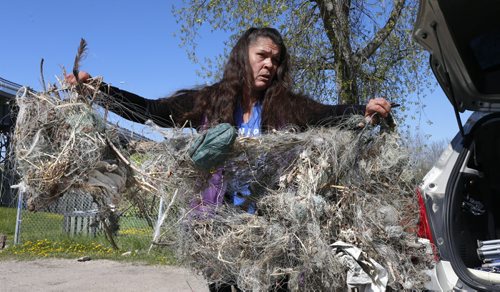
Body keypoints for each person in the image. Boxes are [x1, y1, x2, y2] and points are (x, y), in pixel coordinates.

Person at [67, 27, 393, 291]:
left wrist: (359, 111)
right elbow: (153, 111)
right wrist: (101, 91)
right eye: (262, 56)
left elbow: (326, 115)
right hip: (218, 230)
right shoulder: (210, 102)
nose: (269, 65)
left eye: (275, 60)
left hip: (272, 231)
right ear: (243, 58)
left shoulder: (287, 108)